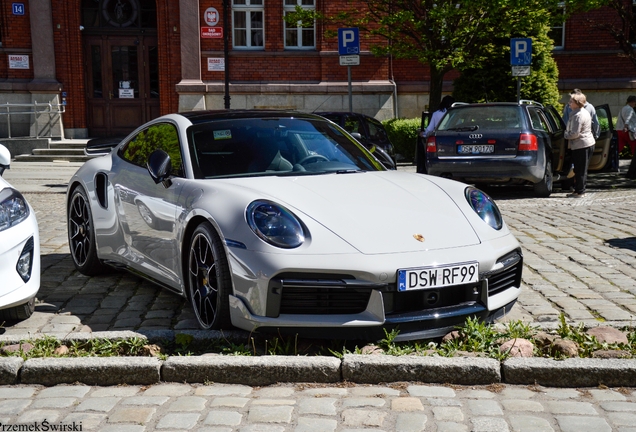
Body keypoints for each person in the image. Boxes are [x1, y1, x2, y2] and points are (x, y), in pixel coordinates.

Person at [564, 93, 596, 198]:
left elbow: (575, 133)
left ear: (577, 103)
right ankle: (578, 190)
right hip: (584, 143)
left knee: (581, 169)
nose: (569, 103)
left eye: (571, 101)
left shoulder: (578, 115)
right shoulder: (581, 112)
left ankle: (580, 191)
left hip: (582, 145)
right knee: (578, 169)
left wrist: (565, 134)